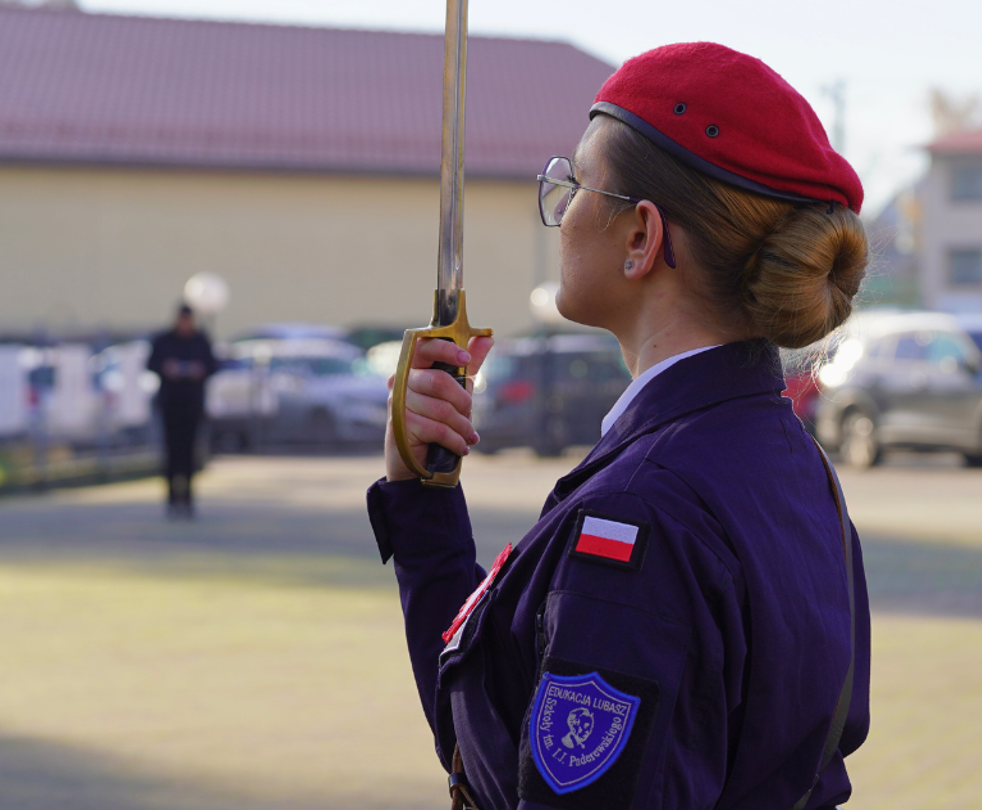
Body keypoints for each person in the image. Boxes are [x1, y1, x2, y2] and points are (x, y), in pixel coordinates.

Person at [368, 43, 870, 810]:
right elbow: (496, 733)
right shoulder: (789, 464)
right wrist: (421, 496)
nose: (562, 213)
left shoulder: (641, 512)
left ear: (642, 238)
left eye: (575, 184)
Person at [147, 303, 216, 519]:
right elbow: (152, 364)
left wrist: (199, 370)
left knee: (189, 454)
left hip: (192, 405)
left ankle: (187, 499)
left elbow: (213, 365)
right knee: (171, 454)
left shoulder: (200, 340)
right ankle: (171, 500)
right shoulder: (164, 340)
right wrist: (168, 368)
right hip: (170, 405)